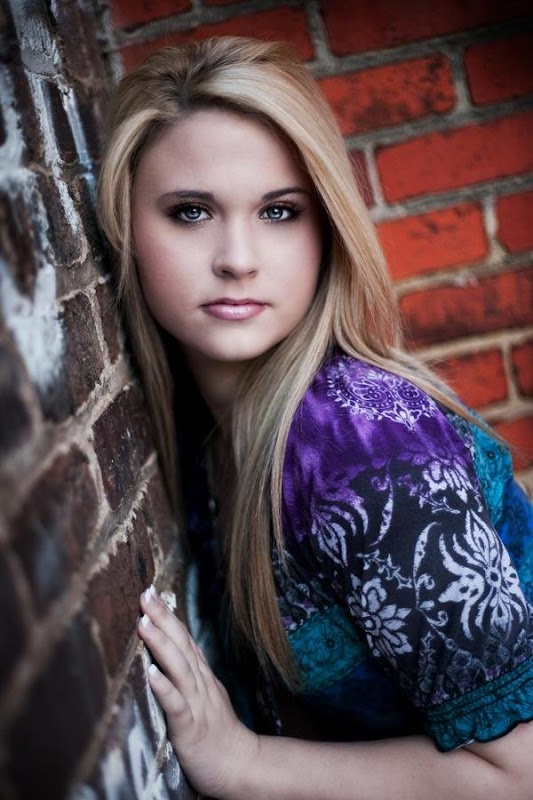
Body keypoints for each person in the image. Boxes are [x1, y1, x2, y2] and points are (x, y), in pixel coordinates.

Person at [97, 36, 533, 799]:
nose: (237, 257)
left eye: (279, 211)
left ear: (325, 228)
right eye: (191, 211)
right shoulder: (212, 436)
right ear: (124, 229)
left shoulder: (365, 451)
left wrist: (247, 763)